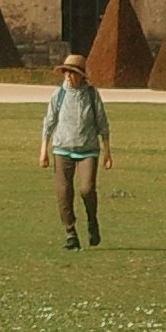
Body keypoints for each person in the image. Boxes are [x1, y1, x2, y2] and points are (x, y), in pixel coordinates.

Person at [42, 42, 108, 246]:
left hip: (88, 150)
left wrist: (107, 152)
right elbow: (49, 122)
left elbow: (102, 123)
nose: (68, 77)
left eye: (72, 73)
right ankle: (70, 232)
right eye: (66, 73)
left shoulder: (91, 95)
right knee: (64, 192)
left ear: (81, 75)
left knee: (87, 189)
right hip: (62, 149)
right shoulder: (59, 95)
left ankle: (92, 220)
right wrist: (43, 151)